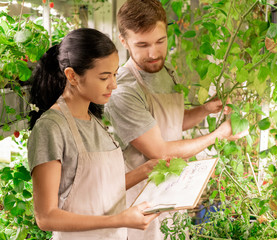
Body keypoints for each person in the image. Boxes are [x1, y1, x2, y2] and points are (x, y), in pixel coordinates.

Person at [105, 0, 249, 239]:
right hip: (142, 199)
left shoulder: (166, 71)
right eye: (142, 45)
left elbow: (171, 123)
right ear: (124, 41)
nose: (153, 53)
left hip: (173, 188)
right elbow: (159, 150)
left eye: (160, 41)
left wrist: (205, 109)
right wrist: (218, 135)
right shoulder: (124, 90)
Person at [27, 28, 160, 240]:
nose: (113, 85)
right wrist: (121, 219)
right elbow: (46, 217)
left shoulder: (94, 120)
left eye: (115, 74)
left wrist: (148, 168)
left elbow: (102, 189)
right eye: (104, 77)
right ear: (72, 76)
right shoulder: (51, 128)